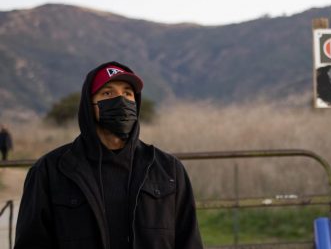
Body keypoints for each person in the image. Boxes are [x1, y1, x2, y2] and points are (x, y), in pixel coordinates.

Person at [15, 61, 203, 249]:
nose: (120, 100)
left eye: (127, 93)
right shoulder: (49, 170)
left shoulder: (168, 169)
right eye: (107, 93)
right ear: (89, 105)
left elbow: (189, 241)